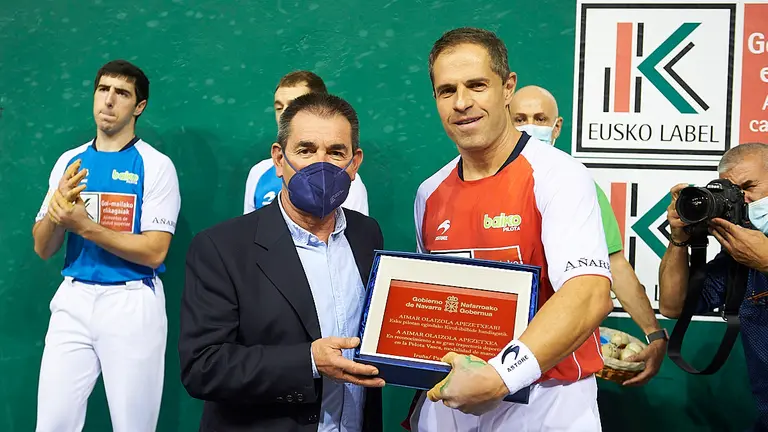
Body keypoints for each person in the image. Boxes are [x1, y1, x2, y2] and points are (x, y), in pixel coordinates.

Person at [408, 27, 614, 431]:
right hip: (455, 399)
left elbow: (589, 295)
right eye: (447, 91)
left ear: (507, 88)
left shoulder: (560, 176)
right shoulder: (429, 193)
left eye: (477, 85)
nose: (462, 102)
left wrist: (502, 375)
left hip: (546, 403)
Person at [179, 92, 385, 431]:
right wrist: (309, 362)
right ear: (279, 159)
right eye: (306, 150)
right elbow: (203, 367)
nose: (321, 165)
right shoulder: (221, 248)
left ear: (355, 162)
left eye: (336, 152)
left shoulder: (366, 235)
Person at [32, 59, 180, 432]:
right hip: (73, 300)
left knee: (133, 427)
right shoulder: (70, 161)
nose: (109, 101)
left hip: (132, 302)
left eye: (122, 93)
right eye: (103, 90)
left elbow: (155, 251)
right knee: (51, 424)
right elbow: (43, 247)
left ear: (139, 106)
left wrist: (85, 226)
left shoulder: (156, 166)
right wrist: (56, 213)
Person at [509, 85, 667, 386]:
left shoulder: (579, 184)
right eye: (520, 118)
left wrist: (654, 333)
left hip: (562, 365)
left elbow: (614, 265)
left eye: (540, 119)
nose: (530, 127)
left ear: (557, 127)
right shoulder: (477, 182)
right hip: (497, 351)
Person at [659, 142, 768, 431]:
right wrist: (679, 237)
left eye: (749, 188)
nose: (742, 201)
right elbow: (673, 305)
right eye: (732, 194)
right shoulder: (739, 254)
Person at [244, 70, 369, 215]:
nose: (284, 114)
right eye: (279, 107)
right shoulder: (259, 173)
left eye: (294, 106)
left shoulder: (345, 180)